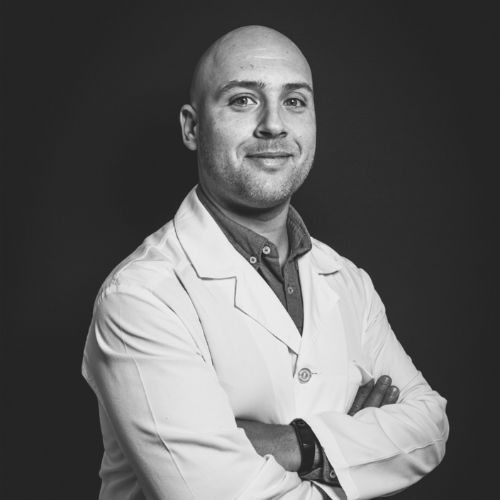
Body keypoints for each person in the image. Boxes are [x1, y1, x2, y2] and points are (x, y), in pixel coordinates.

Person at [83, 25, 449, 500]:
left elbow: (430, 428)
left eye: (294, 101)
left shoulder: (347, 280)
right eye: (242, 100)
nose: (274, 124)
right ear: (192, 128)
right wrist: (356, 454)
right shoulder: (141, 297)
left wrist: (294, 444)